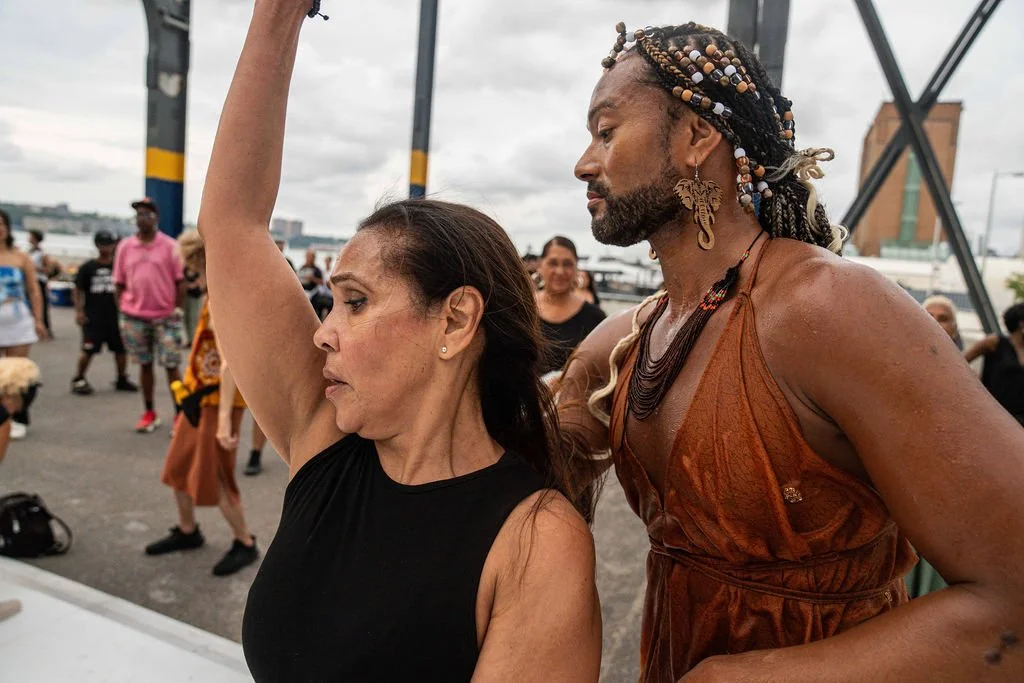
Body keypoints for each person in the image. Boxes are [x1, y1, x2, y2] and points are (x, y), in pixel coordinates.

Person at [556, 21, 1024, 680]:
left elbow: (1012, 604)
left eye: (606, 131)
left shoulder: (827, 309)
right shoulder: (625, 341)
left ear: (697, 136)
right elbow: (513, 467)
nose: (584, 163)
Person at [198, 5, 601, 679]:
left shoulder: (535, 542)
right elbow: (231, 221)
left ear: (455, 321)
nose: (322, 331)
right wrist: (278, 13)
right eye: (332, 302)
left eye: (355, 302)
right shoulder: (323, 436)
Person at [144, 229, 259, 576]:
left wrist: (223, 421)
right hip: (197, 396)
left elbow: (230, 363)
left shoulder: (224, 297)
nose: (191, 271)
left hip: (216, 402)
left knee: (217, 476)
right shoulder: (215, 293)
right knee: (178, 469)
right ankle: (187, 530)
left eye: (193, 264)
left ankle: (245, 542)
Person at [114, 198, 186, 433]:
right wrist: (122, 311)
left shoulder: (170, 246)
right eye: (139, 214)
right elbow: (119, 283)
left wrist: (177, 309)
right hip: (134, 316)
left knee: (172, 366)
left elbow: (181, 282)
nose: (142, 218)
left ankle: (180, 414)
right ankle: (149, 412)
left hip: (166, 317)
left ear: (156, 218)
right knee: (144, 365)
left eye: (147, 214)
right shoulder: (125, 247)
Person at [71, 231, 137, 395]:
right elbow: (78, 289)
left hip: (116, 315)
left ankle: (121, 378)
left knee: (120, 349)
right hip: (94, 316)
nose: (106, 248)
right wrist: (79, 311)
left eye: (109, 244)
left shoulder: (119, 266)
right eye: (102, 245)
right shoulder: (88, 267)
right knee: (88, 349)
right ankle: (79, 378)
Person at [0, 210, 47, 440]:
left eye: (1, 224)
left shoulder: (20, 257)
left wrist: (38, 319)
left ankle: (18, 417)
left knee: (17, 372)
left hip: (17, 321)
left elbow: (33, 290)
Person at [536, 236, 606, 376]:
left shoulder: (594, 317)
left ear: (576, 267)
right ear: (540, 265)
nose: (560, 271)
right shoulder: (522, 308)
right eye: (553, 263)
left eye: (567, 264)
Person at [966, 303, 1024, 426]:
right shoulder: (995, 343)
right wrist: (973, 382)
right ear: (1021, 324)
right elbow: (961, 360)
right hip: (994, 416)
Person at [26, 229, 60, 339]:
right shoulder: (29, 252)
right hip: (29, 281)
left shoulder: (42, 253)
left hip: (39, 281)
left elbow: (48, 270)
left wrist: (35, 268)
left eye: (31, 236)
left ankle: (46, 330)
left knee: (42, 305)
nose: (29, 238)